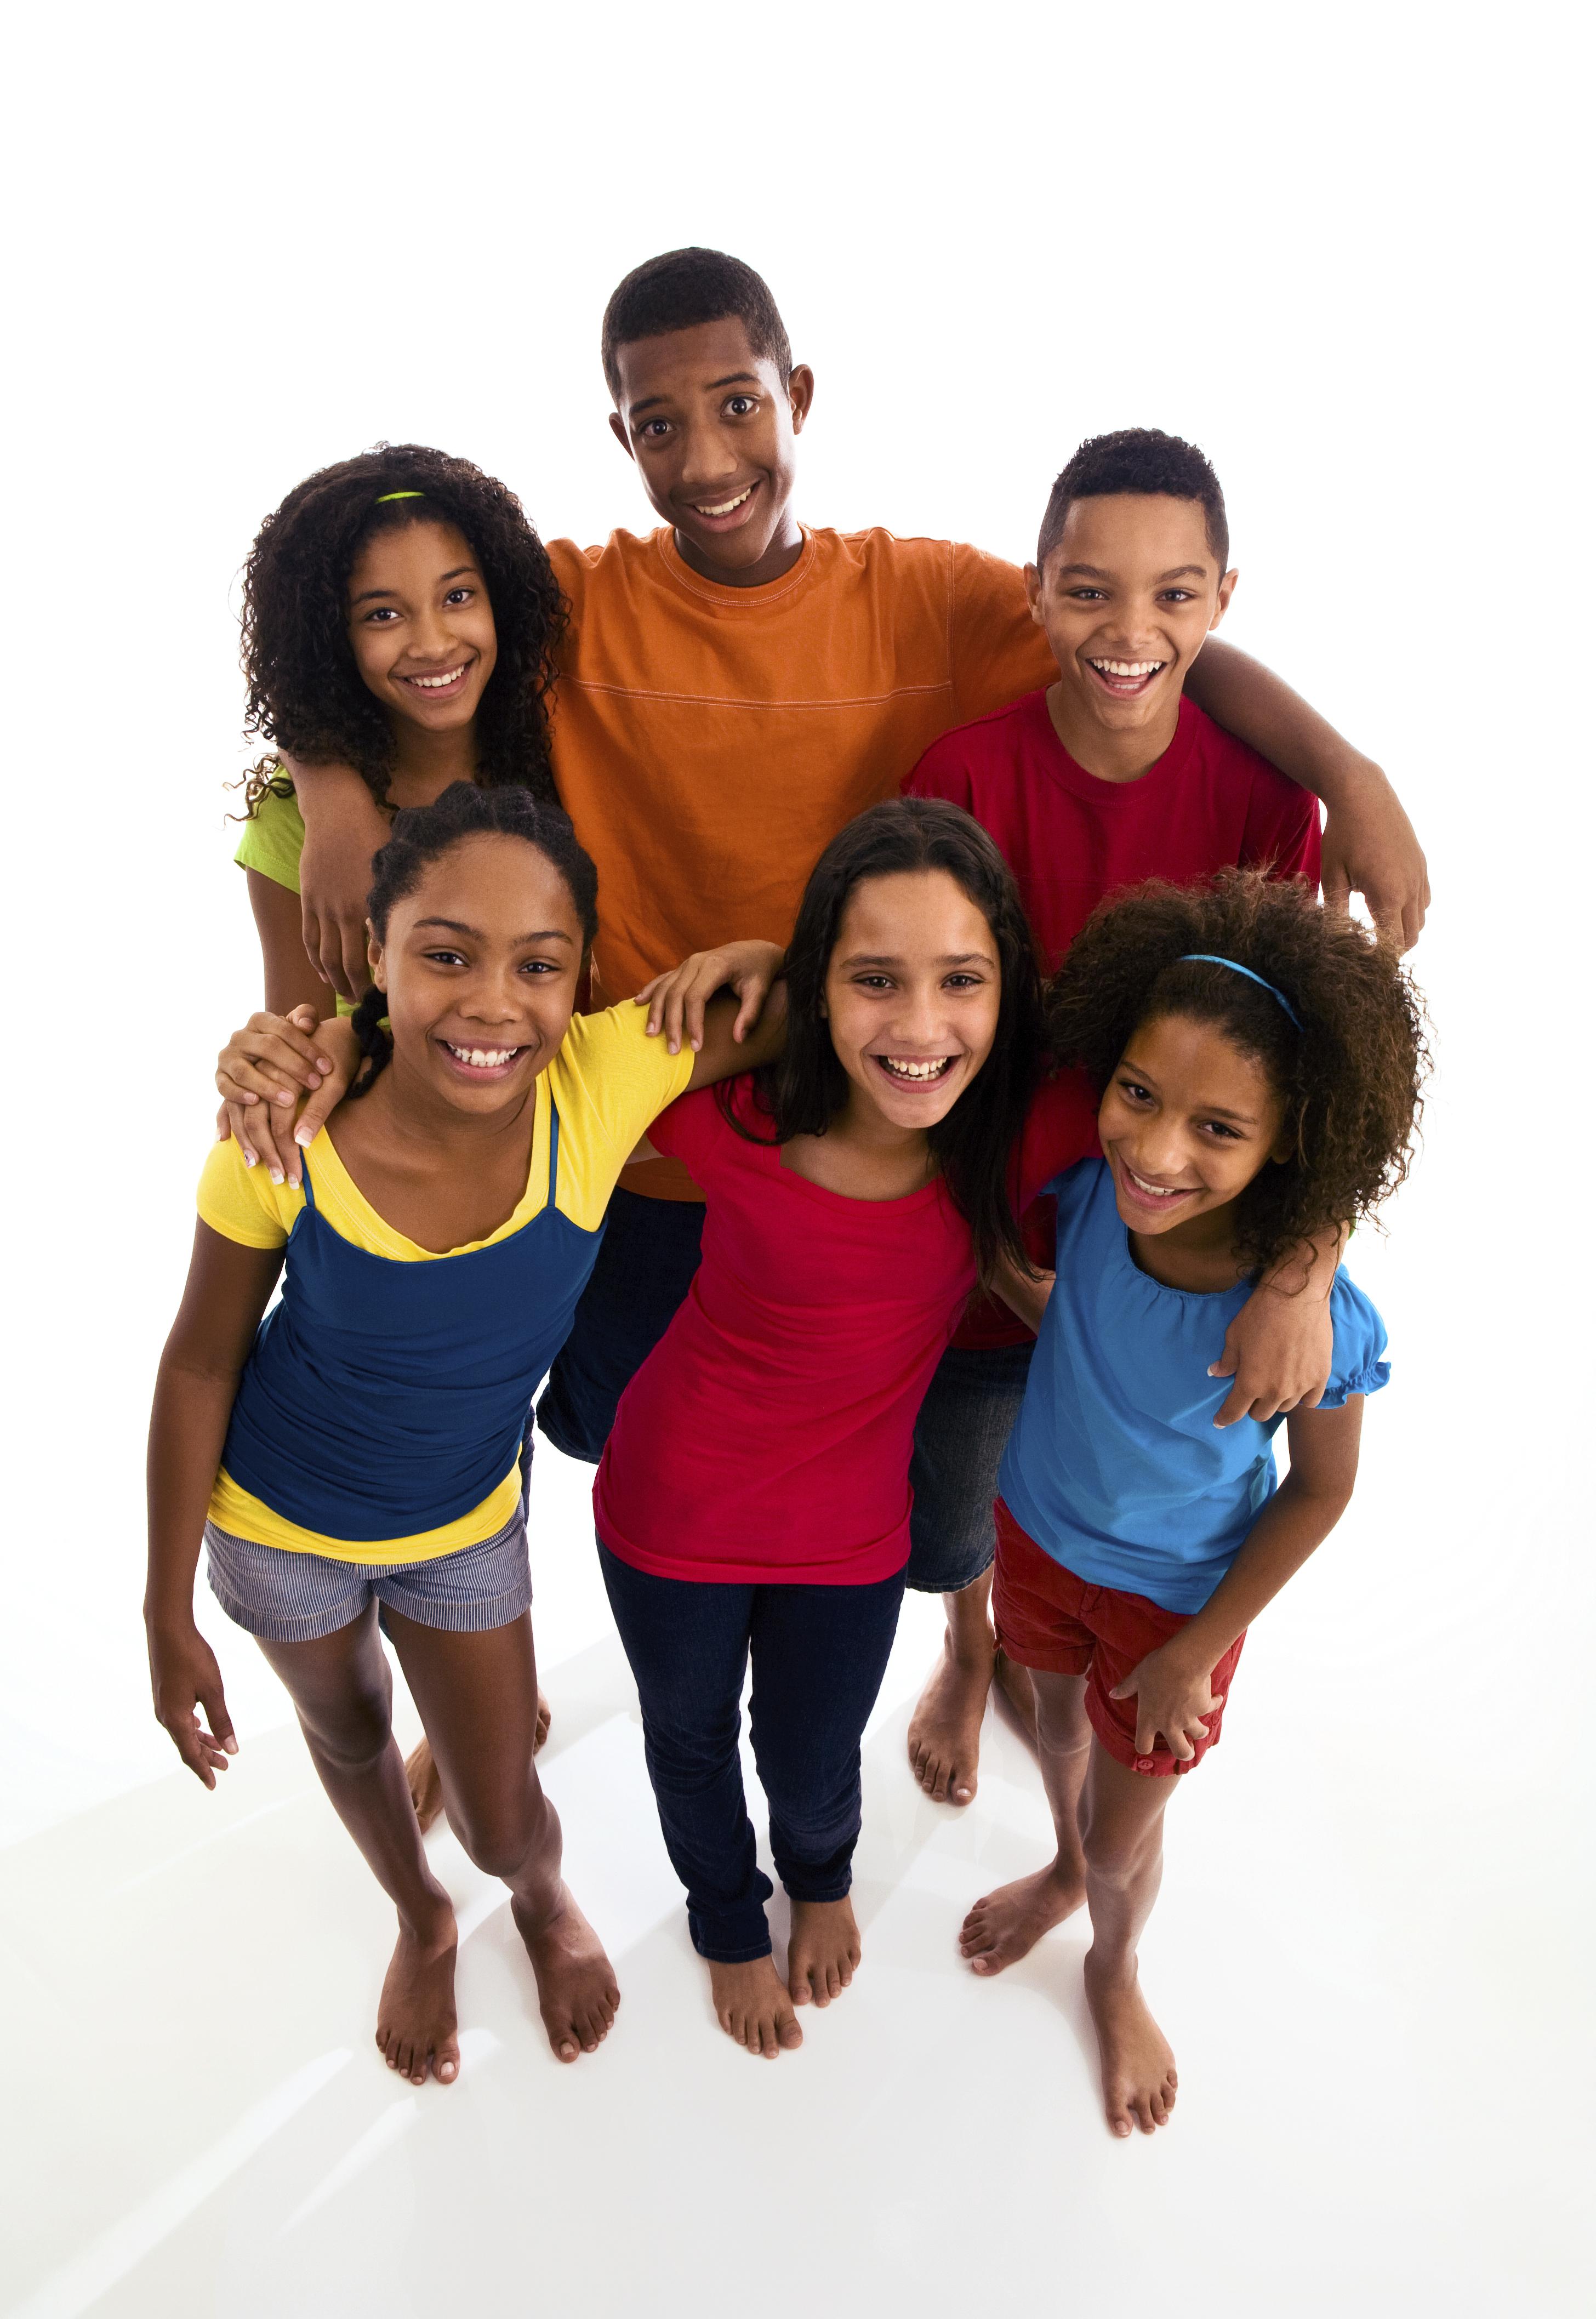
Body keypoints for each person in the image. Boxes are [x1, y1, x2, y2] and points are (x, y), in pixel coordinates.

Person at [275, 249, 1430, 1501]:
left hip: (868, 1122)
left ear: (799, 395)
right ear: (620, 435)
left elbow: (1145, 646)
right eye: (660, 425)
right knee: (609, 1423)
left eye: (740, 405)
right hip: (648, 1130)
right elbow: (375, 622)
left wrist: (1349, 772)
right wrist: (328, 791)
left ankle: (949, 1630)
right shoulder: (571, 603)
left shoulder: (925, 599)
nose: (711, 461)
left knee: (893, 1464)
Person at [147, 784, 779, 2086]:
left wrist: (767, 955)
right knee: (347, 1737)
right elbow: (203, 1359)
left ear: (583, 980)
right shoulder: (283, 1138)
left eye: (538, 966)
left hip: (460, 1532)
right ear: (372, 957)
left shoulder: (600, 1084)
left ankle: (535, 1899)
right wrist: (167, 1613)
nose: (492, 1003)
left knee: (501, 1813)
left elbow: (820, 1003)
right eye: (444, 955)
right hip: (273, 1537)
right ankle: (420, 1918)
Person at [593, 801, 1100, 2059]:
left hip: (850, 1538)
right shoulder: (740, 1120)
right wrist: (747, 990)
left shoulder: (1005, 1138)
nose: (921, 1027)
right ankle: (723, 1918)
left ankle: (817, 1880)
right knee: (691, 1739)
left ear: (1006, 993)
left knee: (816, 1754)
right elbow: (548, 1072)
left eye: (960, 983)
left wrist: (1308, 1275)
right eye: (874, 981)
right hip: (672, 1510)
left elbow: (1227, 1118)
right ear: (817, 987)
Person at [955, 869, 1427, 2140]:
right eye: (1142, 1098)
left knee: (1126, 1838)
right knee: (1053, 1732)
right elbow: (1105, 1324)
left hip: (1174, 1606)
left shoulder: (1311, 1314)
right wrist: (1021, 1287)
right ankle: (1062, 1866)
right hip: (1037, 1535)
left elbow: (1323, 1491)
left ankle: (1111, 1958)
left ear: (1293, 1142)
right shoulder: (1093, 1197)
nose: (1160, 1152)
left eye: (1219, 1130)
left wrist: (1194, 1653)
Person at [900, 426, 1327, 1807]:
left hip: (1162, 1269)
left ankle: (1050, 1694)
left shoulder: (1265, 803)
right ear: (1036, 589)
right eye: (1089, 589)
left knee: (1117, 1511)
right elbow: (914, 1046)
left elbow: (1304, 1064)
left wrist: (1304, 1270)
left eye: (1173, 595)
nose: (1129, 630)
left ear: (1223, 599)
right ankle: (969, 1655)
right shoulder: (964, 775)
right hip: (993, 1257)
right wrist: (972, 1243)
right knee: (959, 1515)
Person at [233, 446, 567, 1016]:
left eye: (458, 597)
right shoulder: (290, 824)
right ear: (331, 640)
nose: (434, 644)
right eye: (382, 615)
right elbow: (296, 1060)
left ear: (501, 602)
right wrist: (330, 805)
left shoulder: (562, 758)